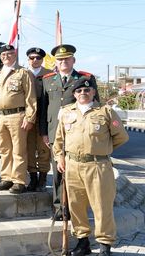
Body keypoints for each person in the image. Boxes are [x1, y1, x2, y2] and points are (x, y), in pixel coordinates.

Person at [53, 79, 128, 256]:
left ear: (93, 92)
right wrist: (60, 158)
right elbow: (59, 140)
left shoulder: (105, 111)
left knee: (102, 206)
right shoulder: (65, 112)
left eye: (87, 90)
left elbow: (121, 137)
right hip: (72, 166)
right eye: (79, 90)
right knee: (76, 206)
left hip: (98, 166)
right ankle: (83, 242)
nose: (83, 93)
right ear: (74, 94)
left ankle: (104, 245)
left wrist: (102, 149)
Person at [38, 44, 98, 220]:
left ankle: (75, 207)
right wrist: (43, 131)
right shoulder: (48, 79)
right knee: (58, 171)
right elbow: (44, 108)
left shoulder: (85, 78)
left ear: (73, 60)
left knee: (75, 173)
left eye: (66, 58)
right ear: (55, 61)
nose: (63, 61)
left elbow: (95, 106)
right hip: (54, 131)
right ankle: (60, 207)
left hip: (77, 133)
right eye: (60, 59)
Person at [0, 45, 37, 194]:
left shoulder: (23, 73)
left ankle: (19, 181)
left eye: (10, 54)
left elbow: (31, 97)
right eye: (3, 54)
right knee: (4, 149)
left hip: (18, 116)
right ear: (0, 57)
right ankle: (6, 178)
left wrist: (30, 118)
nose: (6, 56)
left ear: (15, 55)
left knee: (18, 150)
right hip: (0, 116)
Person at [25, 47, 51, 191]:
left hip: (44, 116)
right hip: (27, 117)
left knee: (43, 149)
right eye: (32, 57)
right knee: (28, 148)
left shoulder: (49, 74)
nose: (35, 60)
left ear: (42, 60)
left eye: (38, 58)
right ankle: (32, 178)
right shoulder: (22, 73)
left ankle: (42, 179)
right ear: (28, 59)